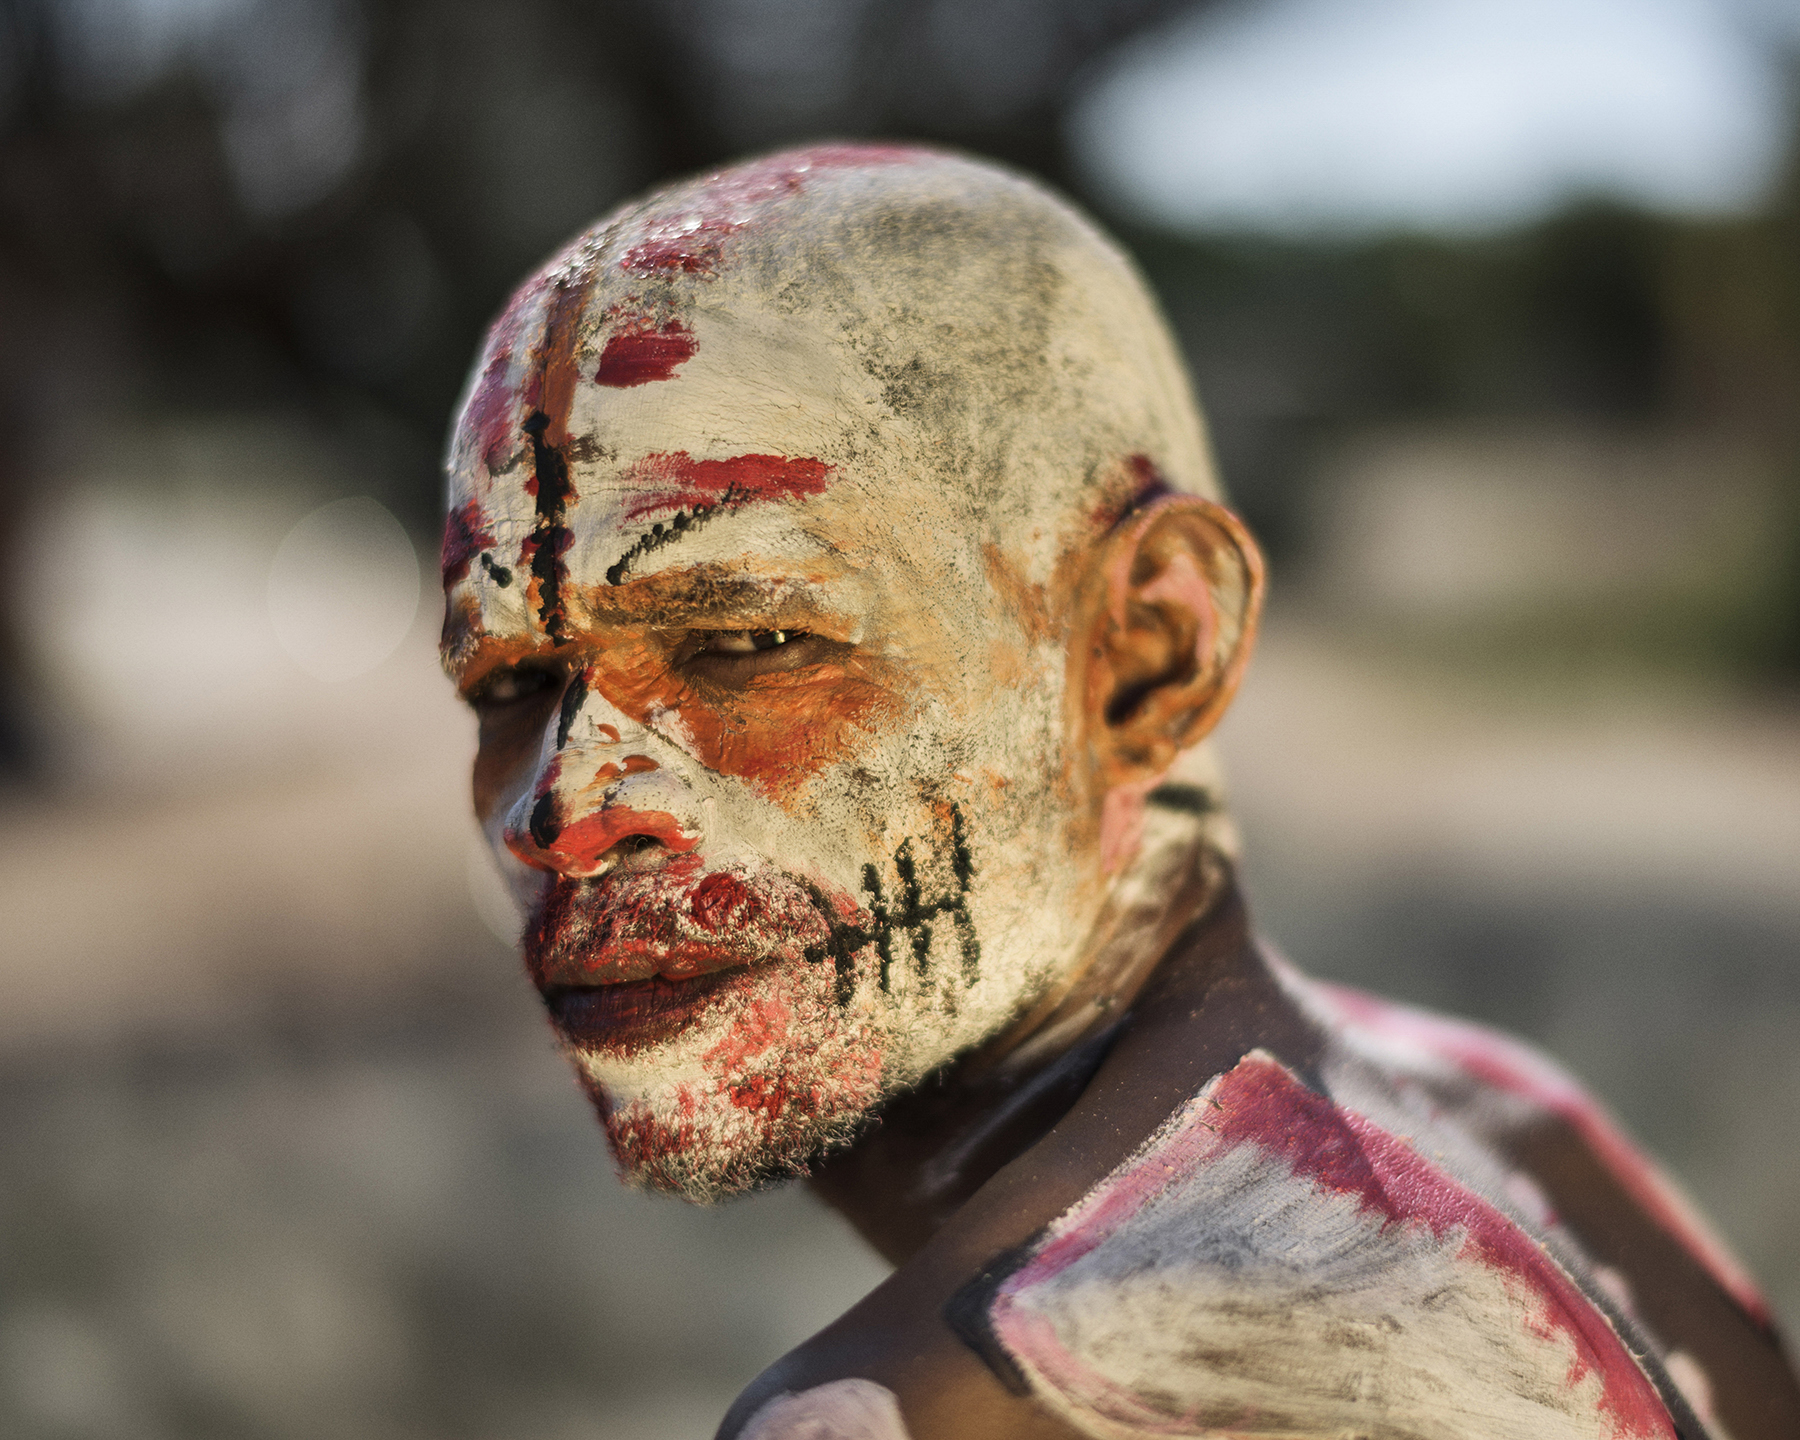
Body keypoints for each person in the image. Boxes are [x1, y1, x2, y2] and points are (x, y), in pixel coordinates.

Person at [439, 145, 1799, 1440]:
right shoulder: (1516, 1119)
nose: (562, 808)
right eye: (508, 686)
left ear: (1151, 648)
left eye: (742, 643)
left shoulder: (937, 1407)